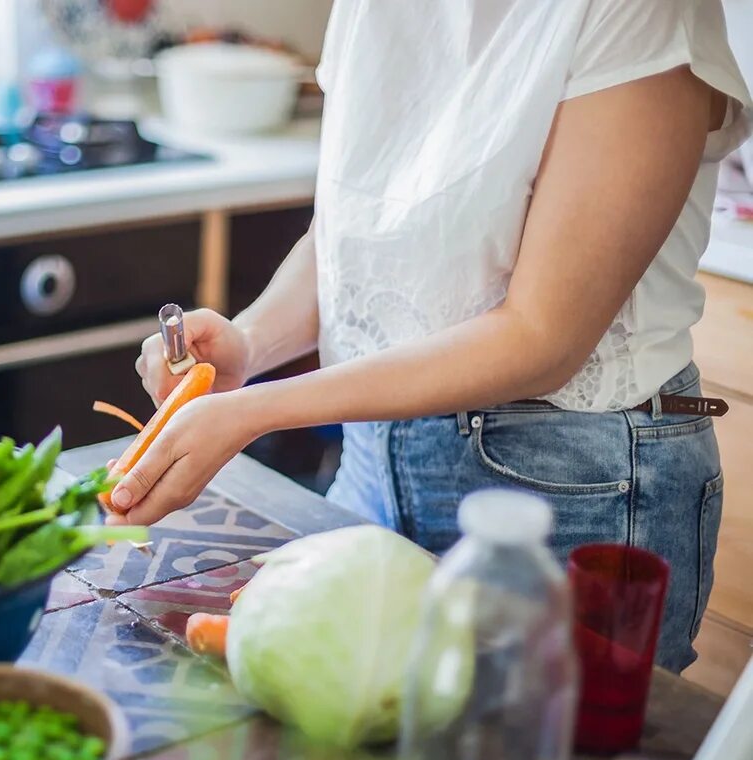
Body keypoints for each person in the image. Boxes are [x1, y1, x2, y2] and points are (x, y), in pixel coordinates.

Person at [107, 0, 752, 672]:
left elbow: (544, 338)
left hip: (570, 487)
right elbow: (359, 232)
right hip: (373, 457)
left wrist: (256, 410)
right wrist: (250, 343)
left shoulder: (638, 12)